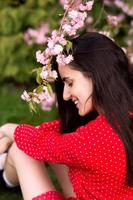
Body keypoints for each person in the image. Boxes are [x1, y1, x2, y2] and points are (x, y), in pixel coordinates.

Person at [0, 32, 133, 200]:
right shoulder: (121, 119)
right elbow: (58, 136)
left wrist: (6, 129)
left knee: (23, 150)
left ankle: (5, 174)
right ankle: (5, 171)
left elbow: (38, 142)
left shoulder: (92, 141)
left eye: (70, 83)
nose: (65, 95)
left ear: (95, 76)